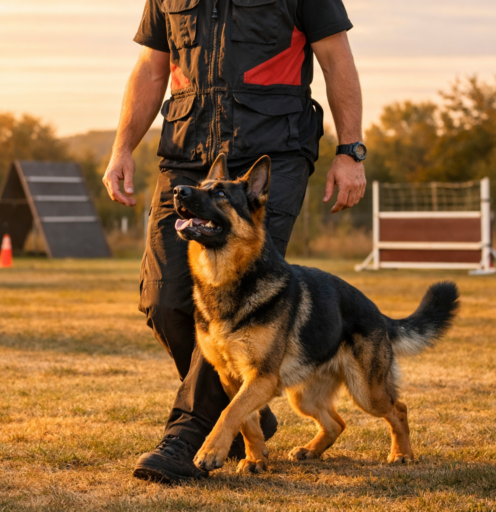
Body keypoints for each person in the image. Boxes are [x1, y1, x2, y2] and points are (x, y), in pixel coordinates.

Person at [102, 0, 367, 483]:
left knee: (240, 304)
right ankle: (249, 398)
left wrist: (350, 150)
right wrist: (122, 147)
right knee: (164, 301)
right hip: (187, 152)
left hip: (271, 157)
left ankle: (189, 435)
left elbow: (336, 57)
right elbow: (151, 65)